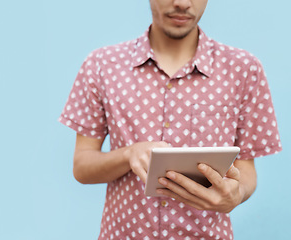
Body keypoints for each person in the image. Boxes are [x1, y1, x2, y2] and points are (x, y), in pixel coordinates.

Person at [59, 0, 282, 239]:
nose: (182, 3)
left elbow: (246, 170)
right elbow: (82, 166)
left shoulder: (244, 70)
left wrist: (235, 195)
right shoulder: (102, 65)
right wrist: (128, 154)